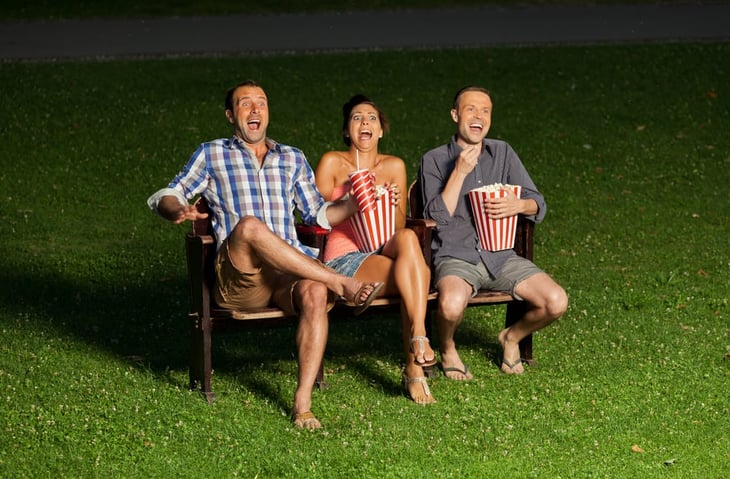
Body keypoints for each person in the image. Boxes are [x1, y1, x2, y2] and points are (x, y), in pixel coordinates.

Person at [147, 80, 385, 430]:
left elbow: (316, 214)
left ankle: (302, 404)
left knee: (315, 291)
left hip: (285, 277)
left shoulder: (292, 157)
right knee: (250, 227)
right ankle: (340, 282)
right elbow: (169, 193)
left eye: (261, 102)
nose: (255, 109)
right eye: (246, 104)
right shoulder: (212, 153)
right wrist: (175, 209)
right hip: (241, 279)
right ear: (231, 115)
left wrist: (352, 204)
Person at [418, 85, 568, 379]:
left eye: (485, 111)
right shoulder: (434, 159)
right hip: (456, 257)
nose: (479, 116)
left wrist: (519, 204)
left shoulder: (503, 152)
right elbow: (436, 217)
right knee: (449, 307)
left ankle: (510, 338)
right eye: (471, 109)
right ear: (454, 115)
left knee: (556, 301)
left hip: (501, 257)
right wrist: (459, 172)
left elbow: (538, 203)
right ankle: (447, 347)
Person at [314, 94, 437, 404]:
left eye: (371, 118)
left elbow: (395, 230)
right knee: (415, 274)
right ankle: (414, 365)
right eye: (356, 118)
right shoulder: (333, 162)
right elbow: (312, 213)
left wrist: (389, 202)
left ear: (381, 130)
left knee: (408, 238)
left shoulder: (394, 165)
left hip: (385, 246)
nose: (364, 122)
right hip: (346, 255)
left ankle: (418, 333)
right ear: (346, 131)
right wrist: (350, 201)